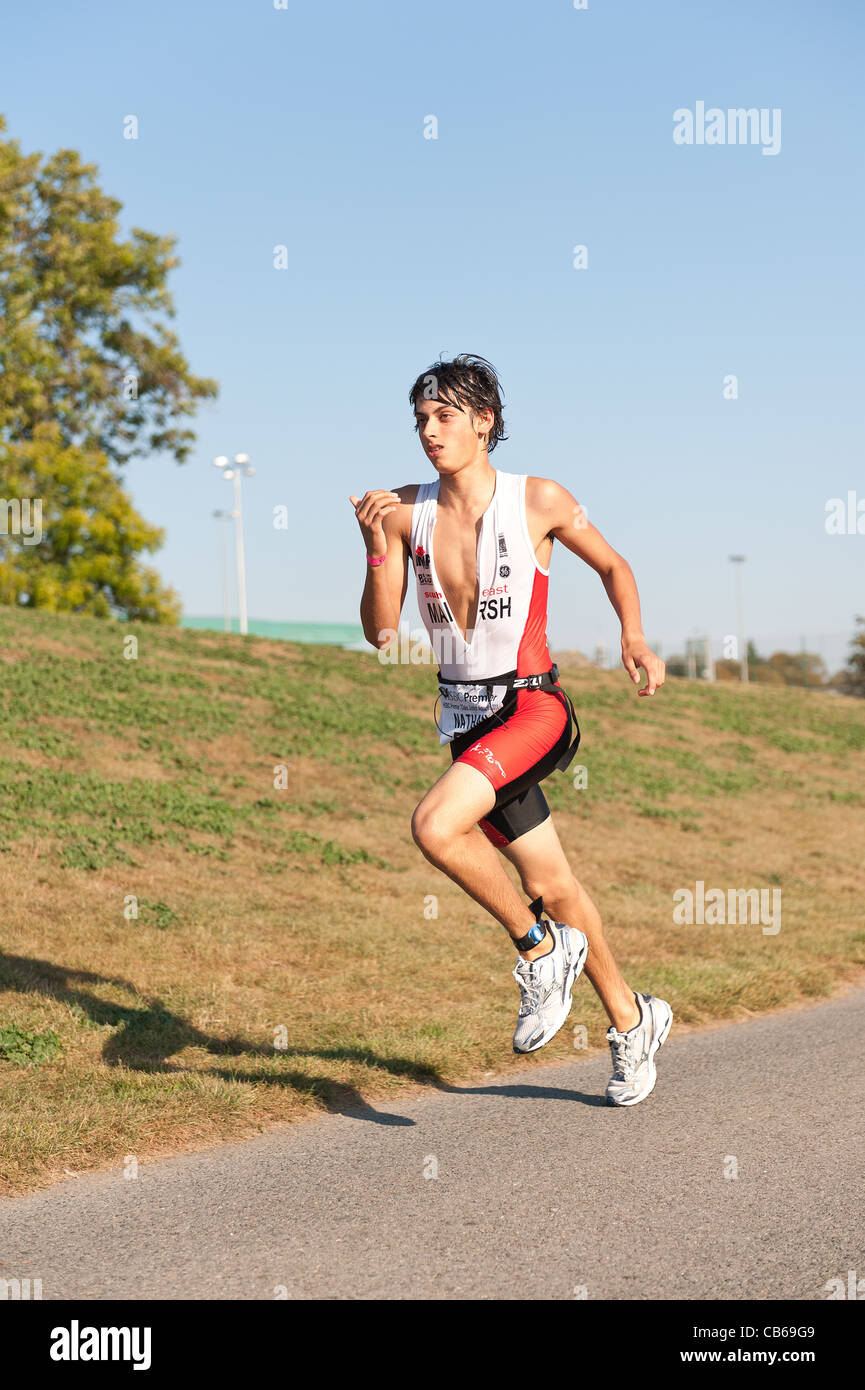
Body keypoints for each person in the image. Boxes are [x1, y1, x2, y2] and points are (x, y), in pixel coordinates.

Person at [349, 354, 671, 1106]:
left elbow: (614, 565)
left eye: (445, 417)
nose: (430, 432)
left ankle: (538, 949)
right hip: (466, 722)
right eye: (421, 420)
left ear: (484, 421)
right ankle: (632, 1021)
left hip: (533, 708)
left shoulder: (539, 498)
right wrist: (371, 548)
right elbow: (378, 630)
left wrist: (634, 639)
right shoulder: (399, 511)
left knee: (433, 826)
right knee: (552, 884)